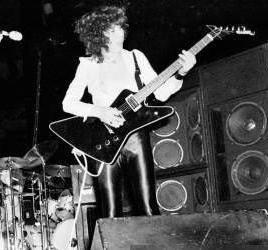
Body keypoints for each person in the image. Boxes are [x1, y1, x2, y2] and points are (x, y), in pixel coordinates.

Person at [62, 5, 196, 218]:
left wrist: (181, 73)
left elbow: (160, 93)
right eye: (113, 30)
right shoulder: (88, 65)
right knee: (111, 213)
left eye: (121, 28)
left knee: (149, 208)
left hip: (135, 137)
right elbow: (68, 103)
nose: (121, 34)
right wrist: (100, 111)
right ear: (98, 34)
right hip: (103, 141)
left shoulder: (135, 57)